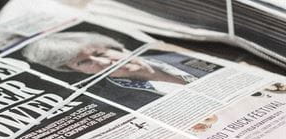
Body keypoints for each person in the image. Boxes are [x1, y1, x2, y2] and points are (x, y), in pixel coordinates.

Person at [21, 31, 214, 109]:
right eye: (83, 63)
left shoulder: (183, 55)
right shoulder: (112, 102)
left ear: (115, 46)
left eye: (98, 52)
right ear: (80, 72)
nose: (101, 62)